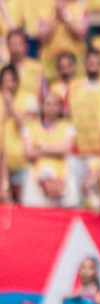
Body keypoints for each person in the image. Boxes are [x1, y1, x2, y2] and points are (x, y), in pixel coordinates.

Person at [21, 91, 79, 208]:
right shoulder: (30, 127)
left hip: (63, 176)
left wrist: (40, 147)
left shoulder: (68, 127)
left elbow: (66, 150)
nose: (51, 107)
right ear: (42, 106)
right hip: (36, 181)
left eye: (55, 104)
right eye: (48, 104)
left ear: (60, 107)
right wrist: (56, 148)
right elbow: (29, 153)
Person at [0, 65, 39, 204]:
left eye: (11, 80)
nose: (8, 84)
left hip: (21, 161)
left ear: (16, 82)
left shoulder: (29, 99)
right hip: (1, 160)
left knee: (20, 203)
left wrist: (11, 106)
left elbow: (27, 126)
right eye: (4, 81)